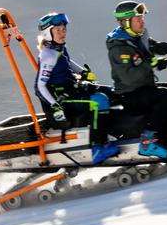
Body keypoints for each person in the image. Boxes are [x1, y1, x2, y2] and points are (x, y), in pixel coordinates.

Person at [34, 12, 119, 165]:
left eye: (64, 29)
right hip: (64, 98)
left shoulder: (58, 48)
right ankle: (98, 147)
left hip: (73, 88)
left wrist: (83, 72)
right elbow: (39, 86)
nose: (62, 33)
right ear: (48, 33)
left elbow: (67, 62)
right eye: (58, 30)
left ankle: (115, 132)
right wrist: (55, 105)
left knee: (112, 91)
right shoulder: (48, 54)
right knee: (99, 101)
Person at [105, 1, 167, 159]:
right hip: (130, 94)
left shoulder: (138, 36)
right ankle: (147, 142)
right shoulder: (119, 47)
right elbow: (129, 78)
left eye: (142, 17)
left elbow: (153, 46)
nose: (142, 21)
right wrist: (152, 63)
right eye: (137, 18)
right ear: (126, 22)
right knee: (166, 97)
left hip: (145, 87)